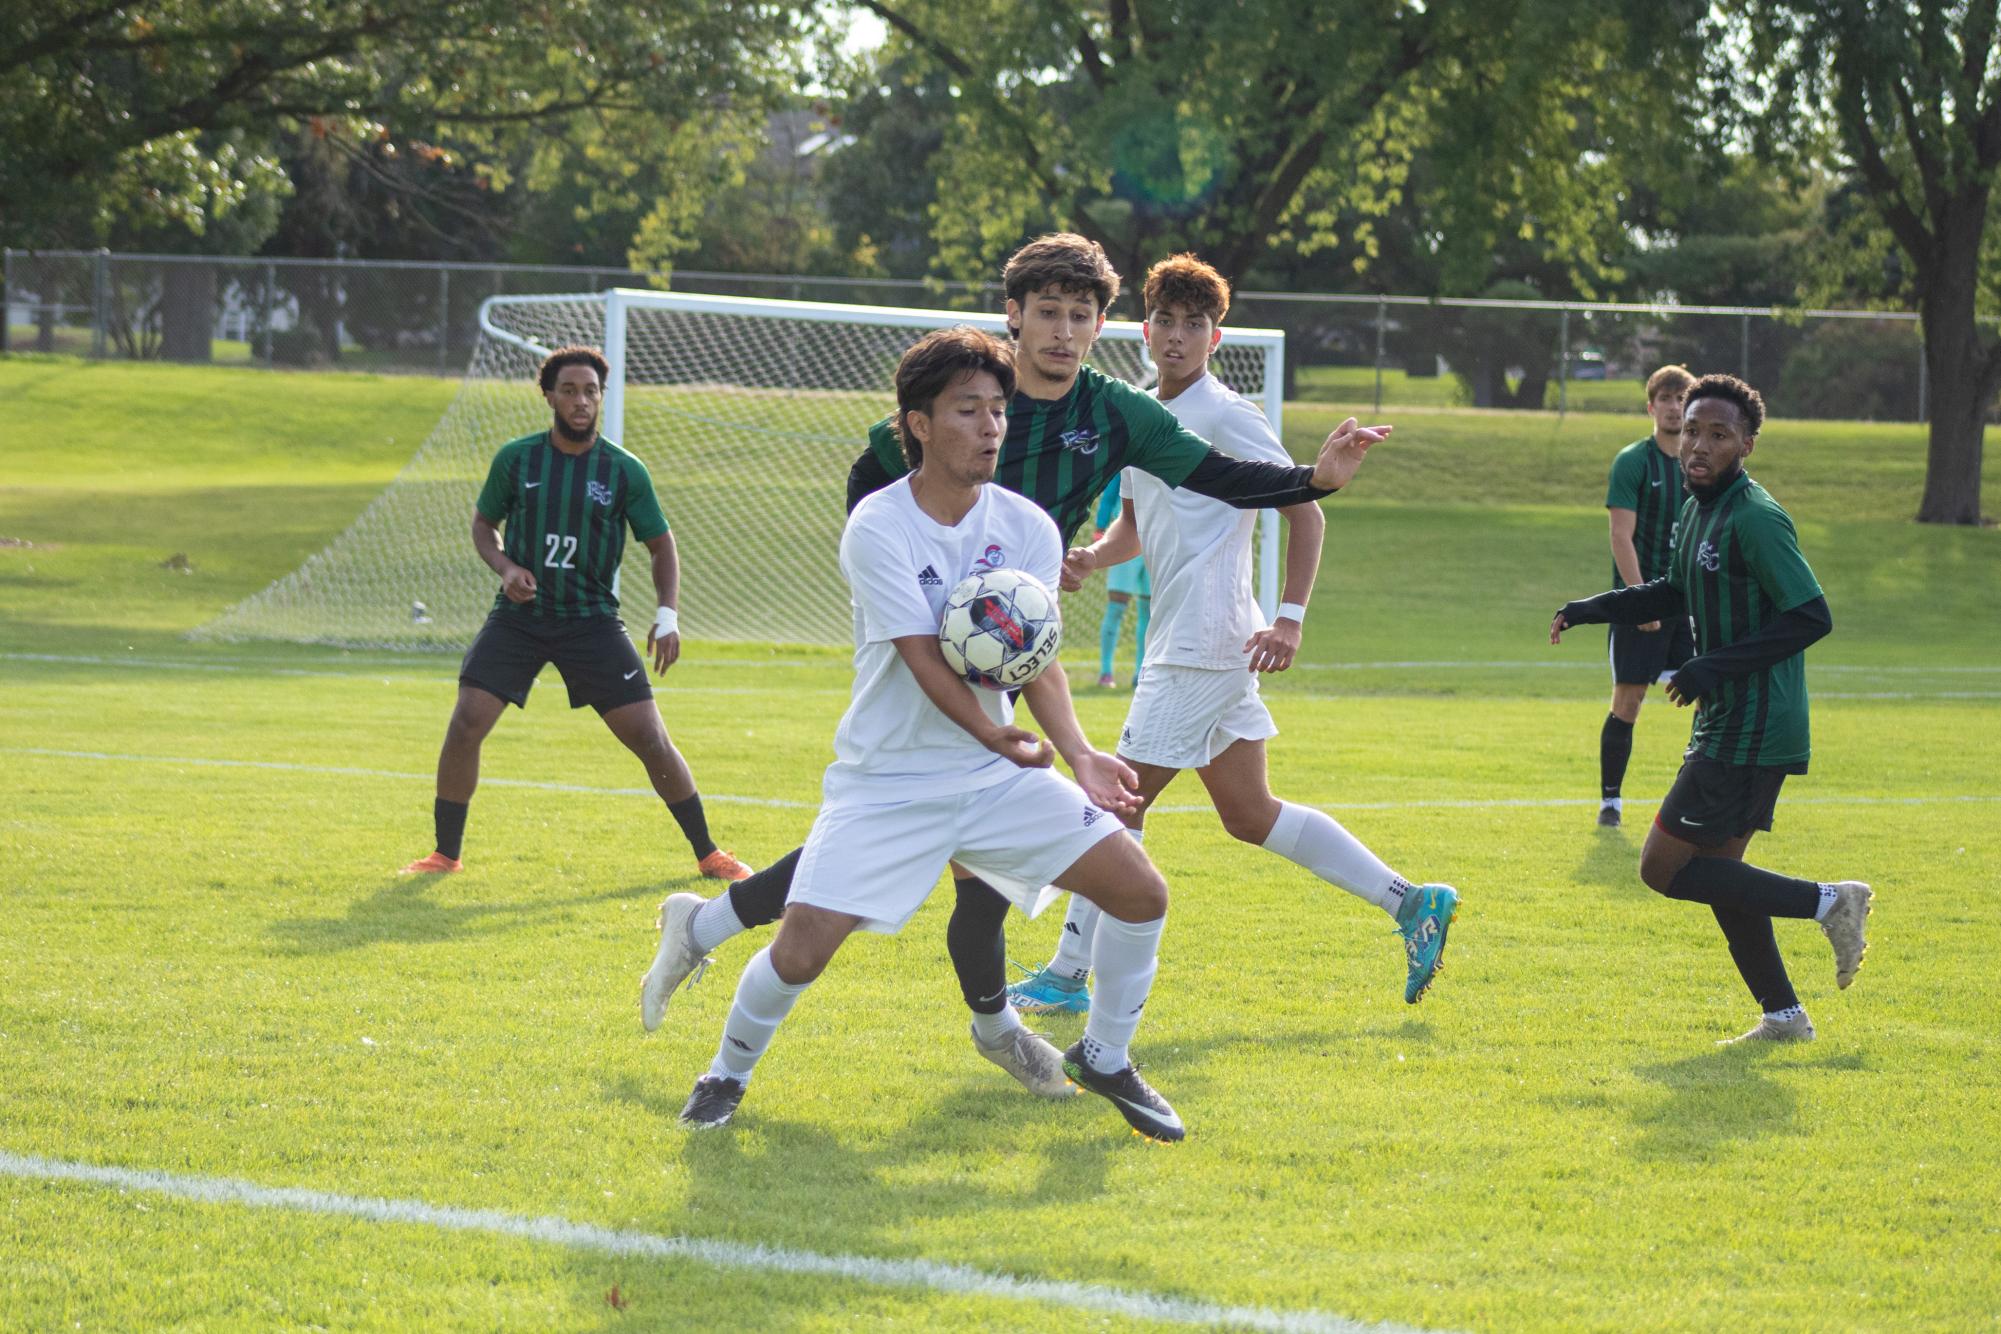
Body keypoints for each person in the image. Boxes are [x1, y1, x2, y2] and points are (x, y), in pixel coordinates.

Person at [640, 233, 1389, 1045]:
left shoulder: (1116, 412)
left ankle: (986, 1022)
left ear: (1101, 324)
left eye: (1079, 315)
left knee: (966, 856)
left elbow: (1219, 475)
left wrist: (1314, 481)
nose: (1062, 332)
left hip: (1005, 645)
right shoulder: (967, 390)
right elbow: (870, 474)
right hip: (922, 636)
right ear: (1014, 316)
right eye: (1046, 313)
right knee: (902, 841)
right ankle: (976, 1021)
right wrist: (908, 577)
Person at [678, 327, 1185, 1141]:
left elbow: (1035, 658)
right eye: (966, 410)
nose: (990, 427)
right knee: (801, 951)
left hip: (995, 779)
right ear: (916, 423)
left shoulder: (1028, 527)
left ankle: (1107, 1055)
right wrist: (993, 737)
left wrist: (1082, 752)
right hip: (888, 778)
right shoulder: (878, 526)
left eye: (997, 410)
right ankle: (724, 1075)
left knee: (1139, 890)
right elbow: (921, 656)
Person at [1009, 254, 1458, 1015]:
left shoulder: (1226, 413)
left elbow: (1303, 508)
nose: (1179, 337)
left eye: (1197, 325)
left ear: (1216, 339)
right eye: (1168, 323)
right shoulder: (1139, 412)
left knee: (1115, 805)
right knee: (1250, 815)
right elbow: (1137, 524)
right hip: (1188, 639)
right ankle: (1411, 901)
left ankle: (1065, 973)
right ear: (1144, 330)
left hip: (1206, 641)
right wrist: (1090, 554)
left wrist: (1290, 617)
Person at [1550, 374, 1872, 1043]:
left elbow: (1811, 615)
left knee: (1660, 868)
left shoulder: (1755, 518)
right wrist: (1592, 609)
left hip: (1753, 725)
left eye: (1717, 434)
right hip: (1728, 719)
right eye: (1691, 429)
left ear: (1745, 445)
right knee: (1723, 876)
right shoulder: (1699, 506)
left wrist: (1706, 668)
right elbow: (1676, 590)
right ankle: (1783, 1017)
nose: (1697, 444)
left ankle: (1830, 902)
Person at [398, 345, 752, 882]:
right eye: (569, 390)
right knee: (466, 720)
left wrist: (668, 615)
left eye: (590, 391)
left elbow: (661, 545)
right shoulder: (517, 460)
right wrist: (504, 567)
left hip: (591, 621)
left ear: (600, 398)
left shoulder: (623, 469)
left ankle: (708, 853)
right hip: (520, 618)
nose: (581, 401)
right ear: (549, 396)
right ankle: (445, 854)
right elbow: (482, 525)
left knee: (650, 738)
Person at [1597, 365, 1698, 827]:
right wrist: (1640, 600)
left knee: (1710, 696)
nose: (1675, 406)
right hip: (1641, 600)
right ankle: (1611, 803)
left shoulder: (1702, 462)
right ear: (1651, 406)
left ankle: (1701, 798)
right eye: (1667, 398)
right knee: (1630, 700)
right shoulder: (1634, 461)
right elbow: (1621, 536)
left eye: (1683, 398)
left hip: (1690, 605)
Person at [1090, 475, 1150, 688]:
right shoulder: (1128, 462)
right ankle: (1106, 671)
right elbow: (1109, 495)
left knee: (1149, 611)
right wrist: (1100, 526)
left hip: (1155, 539)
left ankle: (1141, 672)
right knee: (1116, 606)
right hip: (1125, 538)